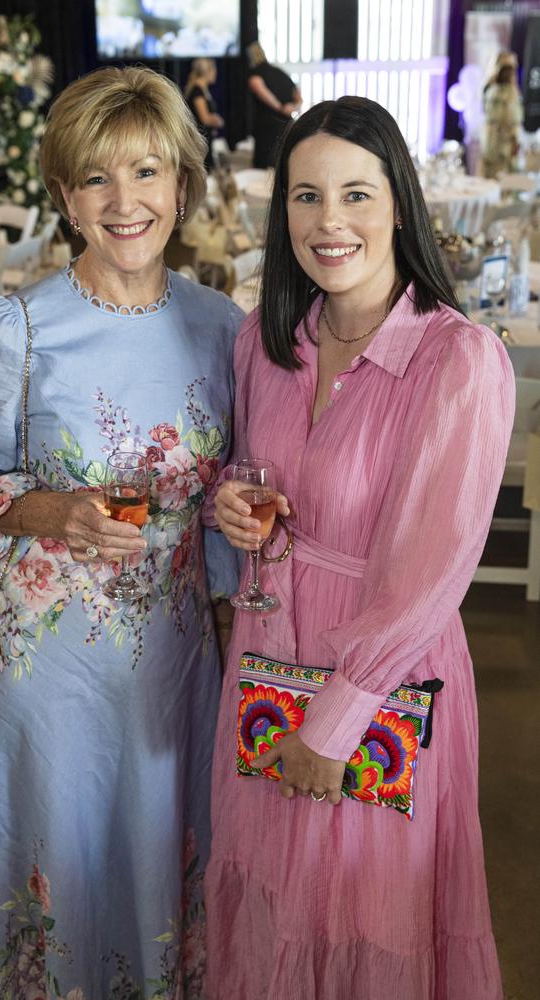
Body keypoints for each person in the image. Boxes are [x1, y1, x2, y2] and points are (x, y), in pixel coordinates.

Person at [0, 66, 243, 998]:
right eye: (96, 178)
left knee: (164, 861)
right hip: (49, 674)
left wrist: (231, 516)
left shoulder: (223, 328)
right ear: (64, 195)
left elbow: (225, 494)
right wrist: (55, 511)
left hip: (177, 665)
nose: (125, 201)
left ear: (182, 183)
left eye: (146, 172)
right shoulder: (14, 328)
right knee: (60, 861)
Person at [204, 96, 514, 999]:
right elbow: (244, 473)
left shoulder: (457, 359)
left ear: (399, 203)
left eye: (355, 193)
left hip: (379, 675)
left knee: (365, 909)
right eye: (305, 196)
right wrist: (231, 504)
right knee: (270, 895)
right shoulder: (264, 345)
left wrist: (339, 721)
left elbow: (433, 572)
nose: (328, 222)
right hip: (263, 656)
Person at [247, 41, 302, 168]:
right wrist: (293, 108)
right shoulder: (280, 73)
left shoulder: (256, 73)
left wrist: (279, 107)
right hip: (286, 127)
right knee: (282, 164)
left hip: (266, 128)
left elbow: (258, 87)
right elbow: (298, 95)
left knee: (263, 168)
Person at [482, 53, 523, 178]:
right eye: (505, 70)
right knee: (492, 176)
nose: (509, 74)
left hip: (508, 143)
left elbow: (515, 120)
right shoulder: (490, 90)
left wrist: (515, 141)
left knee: (509, 179)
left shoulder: (513, 91)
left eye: (511, 70)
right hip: (493, 142)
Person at [185, 58, 225, 170]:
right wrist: (217, 120)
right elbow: (205, 118)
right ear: (208, 72)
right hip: (200, 142)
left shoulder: (202, 89)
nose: (216, 74)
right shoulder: (197, 91)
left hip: (205, 139)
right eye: (214, 71)